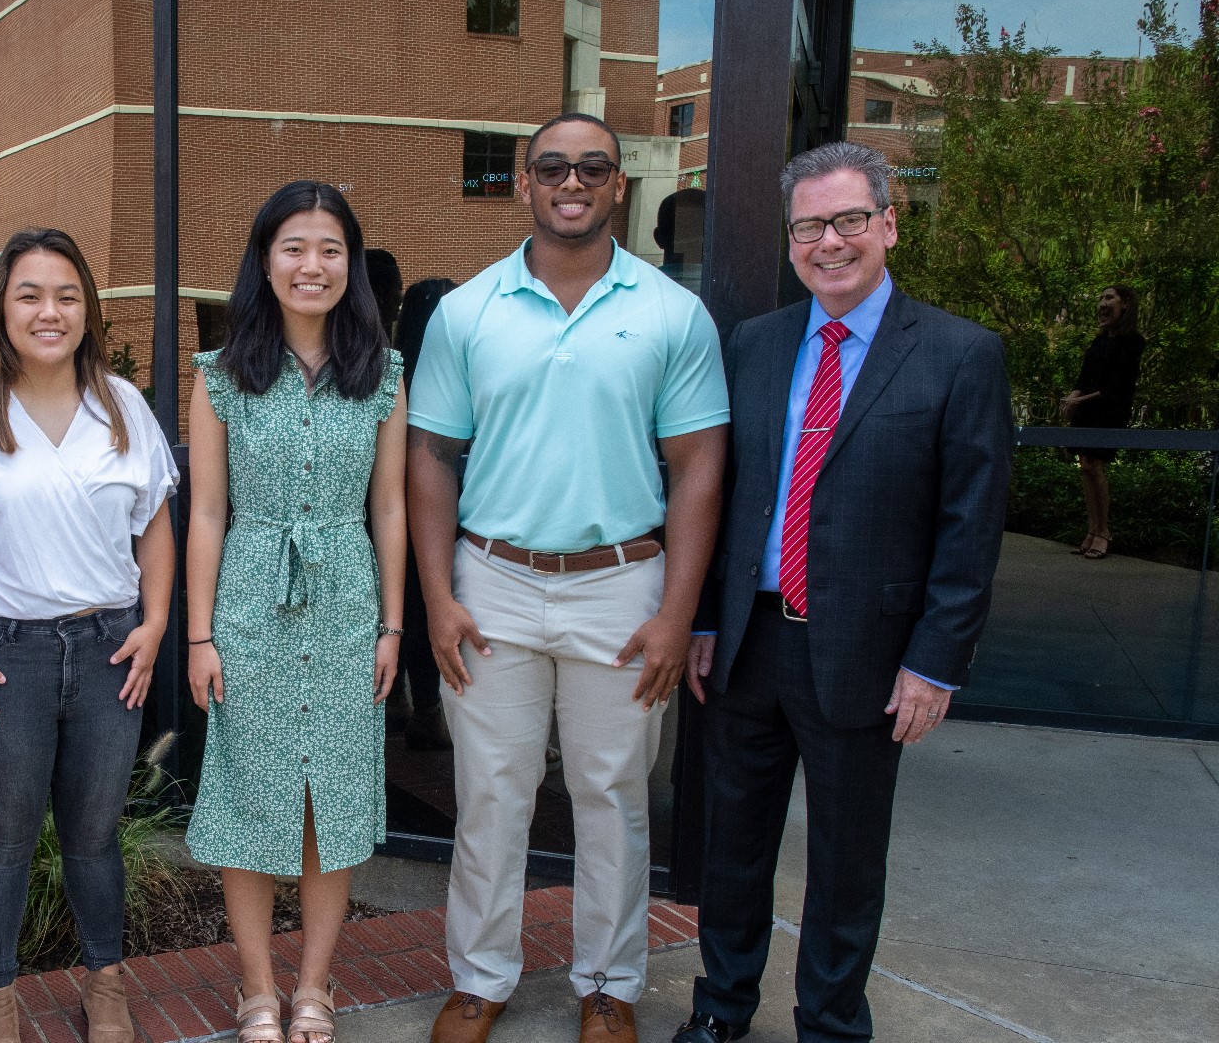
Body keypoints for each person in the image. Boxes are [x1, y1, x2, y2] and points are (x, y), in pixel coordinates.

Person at [672, 141, 1011, 1043]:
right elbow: (726, 495)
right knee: (733, 848)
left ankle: (829, 1023)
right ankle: (721, 1008)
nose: (830, 241)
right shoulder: (756, 343)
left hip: (868, 656)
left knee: (847, 862)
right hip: (748, 646)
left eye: (849, 220)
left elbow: (969, 531)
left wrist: (935, 664)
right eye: (810, 226)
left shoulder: (960, 355)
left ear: (889, 225)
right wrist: (704, 617)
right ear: (790, 240)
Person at [408, 112, 729, 1043]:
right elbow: (431, 458)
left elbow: (699, 466)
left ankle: (610, 984)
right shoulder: (468, 311)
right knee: (491, 795)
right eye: (553, 167)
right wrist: (438, 595)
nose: (572, 182)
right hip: (491, 582)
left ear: (620, 184)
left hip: (622, 585)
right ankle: (480, 977)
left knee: (613, 797)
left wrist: (678, 613)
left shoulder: (671, 312)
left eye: (593, 167)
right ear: (525, 184)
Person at [0, 228, 178, 1043]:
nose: (49, 311)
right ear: (1, 307)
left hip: (108, 652)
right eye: (30, 294)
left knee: (94, 837)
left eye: (66, 295)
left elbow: (155, 523)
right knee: (5, 839)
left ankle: (106, 984)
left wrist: (156, 622)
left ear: (88, 309)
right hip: (2, 655)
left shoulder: (121, 405)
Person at [185, 180, 407, 1043]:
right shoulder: (220, 373)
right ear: (265, 260)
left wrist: (392, 624)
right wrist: (201, 634)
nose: (311, 266)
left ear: (350, 267)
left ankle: (315, 986)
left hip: (349, 605)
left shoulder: (383, 372)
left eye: (330, 251)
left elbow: (387, 508)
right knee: (250, 801)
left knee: (331, 804)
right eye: (294, 248)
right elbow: (206, 513)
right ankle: (256, 990)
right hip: (248, 608)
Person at [392, 277, 458, 752]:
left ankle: (404, 701)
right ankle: (428, 709)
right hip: (431, 517)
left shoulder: (391, 375)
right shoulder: (397, 379)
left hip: (389, 520)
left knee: (412, 610)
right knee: (422, 608)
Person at [1059, 284, 1145, 560]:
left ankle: (1103, 532)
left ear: (1126, 304)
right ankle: (1091, 529)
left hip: (1108, 411)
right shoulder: (1099, 341)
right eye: (1101, 298)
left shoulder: (1133, 341)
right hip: (1086, 410)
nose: (1102, 303)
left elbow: (1117, 387)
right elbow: (1084, 378)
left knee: (1095, 467)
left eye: (1109, 298)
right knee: (1084, 467)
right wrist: (1071, 397)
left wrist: (1079, 401)